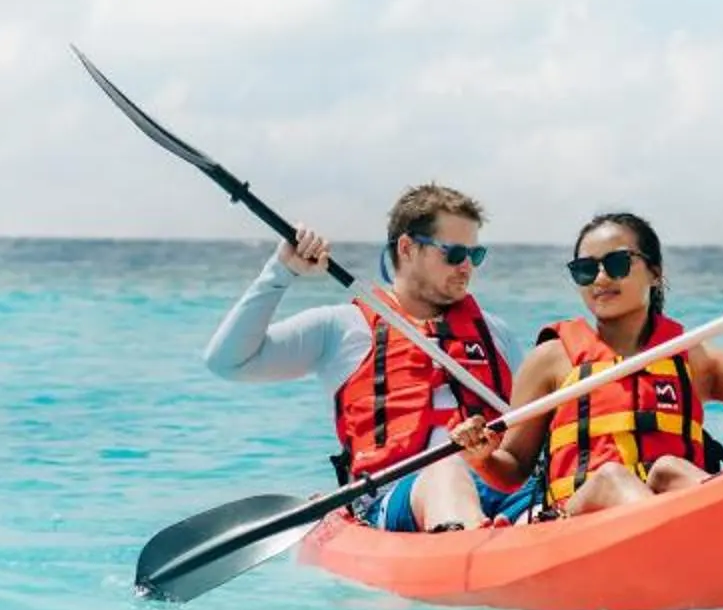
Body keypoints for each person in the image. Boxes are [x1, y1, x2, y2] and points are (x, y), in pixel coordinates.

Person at [204, 183, 534, 532]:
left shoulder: (495, 334)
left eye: (475, 255)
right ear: (407, 249)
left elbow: (533, 432)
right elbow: (228, 361)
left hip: (497, 486)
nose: (467, 267)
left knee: (556, 491)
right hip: (395, 498)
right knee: (446, 469)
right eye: (454, 254)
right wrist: (282, 270)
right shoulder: (341, 328)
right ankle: (471, 547)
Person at [459, 211, 723, 517]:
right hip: (577, 523)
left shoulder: (689, 357)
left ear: (655, 272)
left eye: (617, 263)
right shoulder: (552, 360)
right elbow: (512, 470)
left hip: (670, 511)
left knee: (669, 468)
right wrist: (481, 457)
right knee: (610, 478)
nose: (601, 278)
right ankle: (688, 538)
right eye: (586, 270)